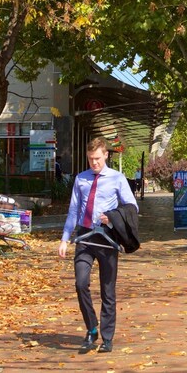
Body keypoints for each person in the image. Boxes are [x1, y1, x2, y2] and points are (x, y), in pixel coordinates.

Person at [58, 137, 138, 354]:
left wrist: (112, 218)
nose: (94, 163)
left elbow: (132, 207)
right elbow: (73, 210)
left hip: (107, 238)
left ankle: (107, 338)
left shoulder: (117, 178)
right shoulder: (81, 179)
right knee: (80, 283)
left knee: (107, 290)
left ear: (106, 156)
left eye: (97, 159)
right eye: (91, 159)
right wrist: (65, 239)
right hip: (84, 237)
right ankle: (91, 328)